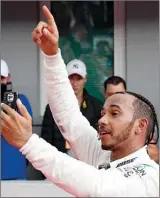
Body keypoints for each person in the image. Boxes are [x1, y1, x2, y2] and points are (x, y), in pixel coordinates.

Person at [1, 6, 159, 197]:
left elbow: (98, 187)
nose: (101, 121)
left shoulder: (149, 177)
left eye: (114, 113)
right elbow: (70, 116)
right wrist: (52, 55)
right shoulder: (104, 155)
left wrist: (28, 143)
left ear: (140, 126)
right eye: (102, 113)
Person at [41, 58, 103, 156]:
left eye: (78, 78)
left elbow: (101, 136)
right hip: (60, 160)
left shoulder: (96, 105)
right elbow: (46, 138)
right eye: (71, 78)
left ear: (85, 79)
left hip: (88, 160)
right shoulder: (53, 106)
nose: (74, 83)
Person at [104, 75, 159, 163]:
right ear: (105, 94)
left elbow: (154, 154)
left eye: (119, 94)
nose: (115, 98)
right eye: (111, 95)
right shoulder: (97, 116)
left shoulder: (136, 116)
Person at [1, 59, 32, 180]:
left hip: (14, 171)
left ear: (8, 78)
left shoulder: (20, 101)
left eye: (1, 78)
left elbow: (26, 132)